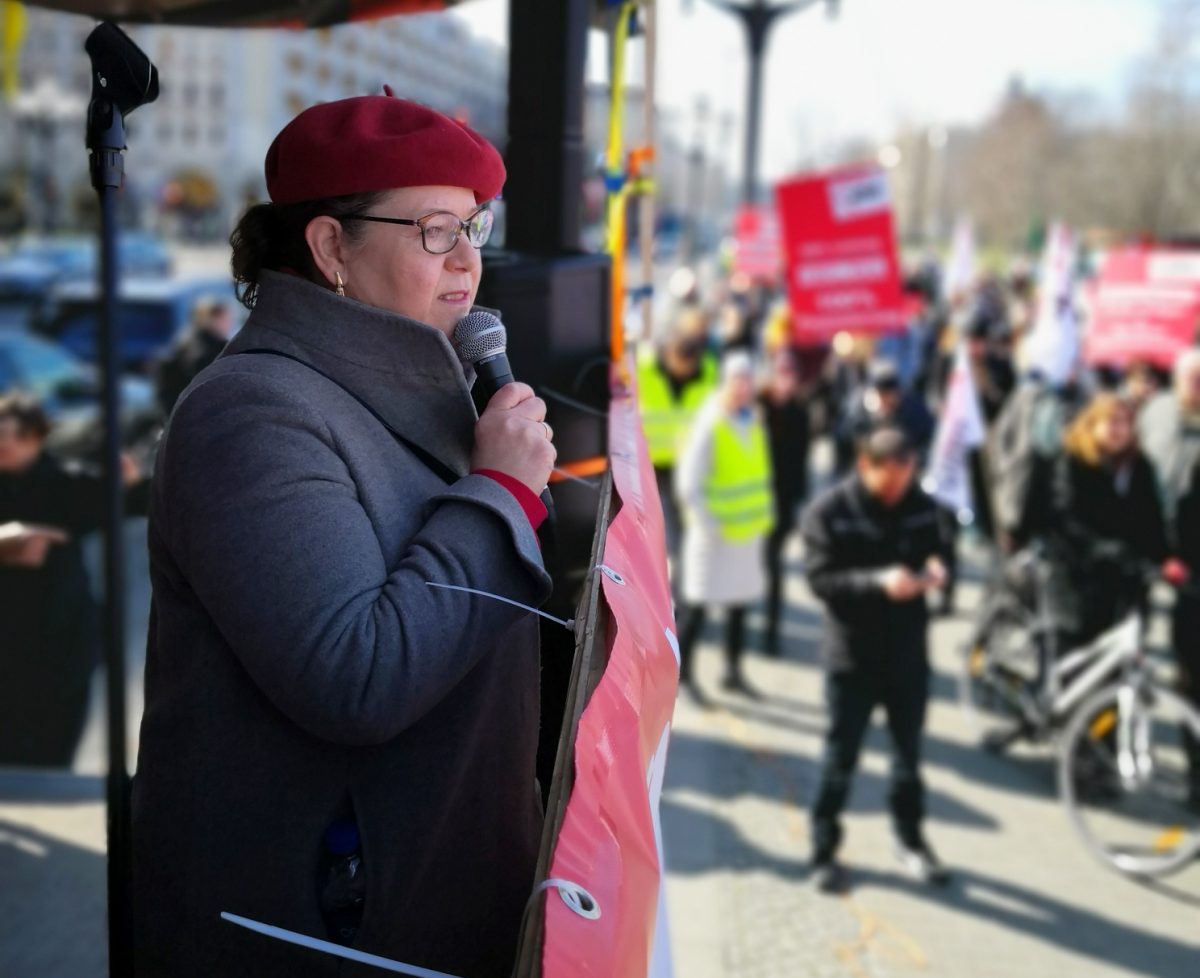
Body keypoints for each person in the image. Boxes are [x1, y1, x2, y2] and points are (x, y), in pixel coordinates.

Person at [131, 93, 557, 978]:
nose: (468, 262)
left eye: (475, 227)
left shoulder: (421, 384)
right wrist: (503, 489)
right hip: (328, 925)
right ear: (331, 249)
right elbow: (356, 673)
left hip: (426, 898)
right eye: (436, 231)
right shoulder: (251, 414)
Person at [801, 426, 950, 892]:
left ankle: (910, 840)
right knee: (840, 758)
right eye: (890, 480)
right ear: (865, 466)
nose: (898, 489)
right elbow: (821, 581)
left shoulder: (922, 506)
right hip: (853, 658)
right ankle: (824, 849)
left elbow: (942, 550)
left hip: (908, 655)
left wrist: (939, 571)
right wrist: (878, 583)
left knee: (909, 758)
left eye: (906, 478)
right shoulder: (829, 512)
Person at [0, 394, 147, 767]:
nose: (3, 444)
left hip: (61, 635)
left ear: (35, 437)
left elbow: (131, 502)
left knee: (52, 745)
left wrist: (126, 483)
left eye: (11, 435)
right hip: (9, 637)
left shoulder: (63, 482)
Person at [675, 351, 774, 698]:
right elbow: (689, 482)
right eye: (739, 381)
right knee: (697, 607)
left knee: (738, 606)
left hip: (745, 535)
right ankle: (683, 676)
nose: (745, 388)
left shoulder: (752, 418)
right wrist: (708, 524)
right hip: (714, 536)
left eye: (749, 381)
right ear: (728, 383)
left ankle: (732, 671)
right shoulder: (711, 422)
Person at [1041, 393, 1169, 656]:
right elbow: (1064, 517)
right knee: (1075, 659)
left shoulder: (1139, 466)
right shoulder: (1073, 461)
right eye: (1111, 421)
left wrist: (1164, 557)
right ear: (1093, 423)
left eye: (1125, 422)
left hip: (1124, 579)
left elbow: (1151, 519)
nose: (1118, 429)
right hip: (1076, 578)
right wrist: (1100, 548)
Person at [637, 306, 718, 575]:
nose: (683, 371)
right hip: (651, 466)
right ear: (670, 354)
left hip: (689, 466)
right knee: (662, 531)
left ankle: (684, 583)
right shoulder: (645, 368)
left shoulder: (708, 373)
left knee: (683, 532)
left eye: (689, 366)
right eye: (679, 364)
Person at [758, 347, 810, 656]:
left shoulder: (801, 413)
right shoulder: (759, 406)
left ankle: (771, 634)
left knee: (773, 569)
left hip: (781, 502)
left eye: (791, 375)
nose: (786, 381)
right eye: (781, 374)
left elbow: (801, 462)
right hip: (750, 500)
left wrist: (796, 505)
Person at [154, 298, 235, 416]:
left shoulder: (184, 343)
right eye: (225, 319)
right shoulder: (217, 350)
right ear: (212, 320)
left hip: (179, 416)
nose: (229, 324)